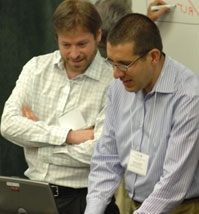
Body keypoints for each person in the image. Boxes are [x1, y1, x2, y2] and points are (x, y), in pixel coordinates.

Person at [0, 1, 119, 213]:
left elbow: (100, 151)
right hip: (33, 194)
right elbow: (8, 125)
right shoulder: (36, 68)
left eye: (82, 44)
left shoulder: (114, 82)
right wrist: (70, 136)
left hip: (85, 199)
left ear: (98, 35)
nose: (74, 54)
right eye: (66, 45)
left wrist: (38, 146)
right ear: (56, 38)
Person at [85, 13, 199, 214]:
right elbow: (107, 157)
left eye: (124, 64)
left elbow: (174, 184)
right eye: (111, 62)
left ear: (153, 57)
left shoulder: (189, 96)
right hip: (131, 203)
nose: (116, 74)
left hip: (179, 207)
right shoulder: (118, 88)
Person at [95, 0, 169, 58]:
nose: (133, 12)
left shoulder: (92, 47)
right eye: (131, 11)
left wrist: (148, 19)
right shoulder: (123, 60)